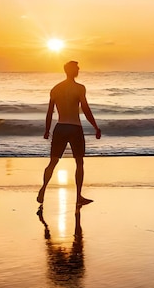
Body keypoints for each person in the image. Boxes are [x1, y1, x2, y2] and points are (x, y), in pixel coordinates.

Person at [37, 61, 101, 205]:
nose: (79, 69)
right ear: (72, 70)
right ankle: (78, 196)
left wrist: (47, 130)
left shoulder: (56, 89)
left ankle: (43, 190)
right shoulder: (79, 88)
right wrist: (96, 127)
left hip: (60, 127)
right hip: (74, 128)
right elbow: (85, 109)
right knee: (79, 162)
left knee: (53, 161)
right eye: (77, 68)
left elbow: (49, 112)